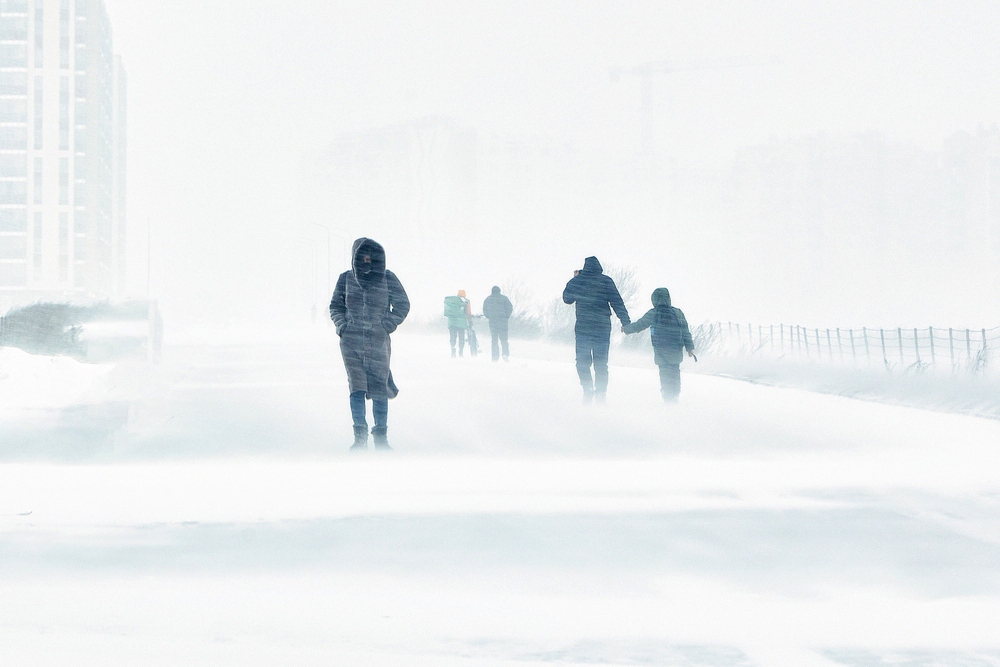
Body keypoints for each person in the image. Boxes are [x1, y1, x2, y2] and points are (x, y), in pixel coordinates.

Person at [329, 238, 410, 450]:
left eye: (371, 256)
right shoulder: (345, 279)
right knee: (356, 386)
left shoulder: (387, 278)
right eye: (362, 256)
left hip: (378, 341)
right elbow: (335, 306)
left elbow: (402, 304)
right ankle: (360, 436)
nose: (367, 260)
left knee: (379, 387)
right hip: (351, 342)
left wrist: (387, 324)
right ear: (355, 257)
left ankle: (381, 437)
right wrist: (343, 326)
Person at [562, 256, 630, 403]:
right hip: (602, 327)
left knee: (582, 361)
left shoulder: (578, 281)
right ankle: (601, 393)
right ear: (599, 267)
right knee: (601, 363)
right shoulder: (606, 281)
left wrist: (575, 279)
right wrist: (626, 322)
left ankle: (587, 389)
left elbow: (567, 299)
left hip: (583, 327)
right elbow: (617, 302)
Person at [622, 288, 695, 402]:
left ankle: (667, 395)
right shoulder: (677, 312)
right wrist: (689, 347)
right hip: (676, 348)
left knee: (664, 371)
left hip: (661, 349)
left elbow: (640, 325)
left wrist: (627, 329)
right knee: (675, 371)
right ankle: (675, 394)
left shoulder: (654, 312)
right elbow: (685, 330)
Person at [482, 286, 513, 361]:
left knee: (494, 340)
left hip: (493, 322)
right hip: (503, 322)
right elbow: (510, 308)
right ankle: (505, 354)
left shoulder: (488, 299)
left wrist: (489, 316)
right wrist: (506, 316)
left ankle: (495, 357)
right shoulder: (504, 299)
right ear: (499, 291)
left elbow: (484, 310)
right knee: (504, 339)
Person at [443, 289, 471, 357]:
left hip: (451, 323)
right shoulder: (465, 301)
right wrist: (469, 320)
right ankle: (461, 351)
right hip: (461, 323)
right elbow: (468, 313)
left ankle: (453, 348)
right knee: (461, 337)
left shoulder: (452, 302)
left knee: (453, 336)